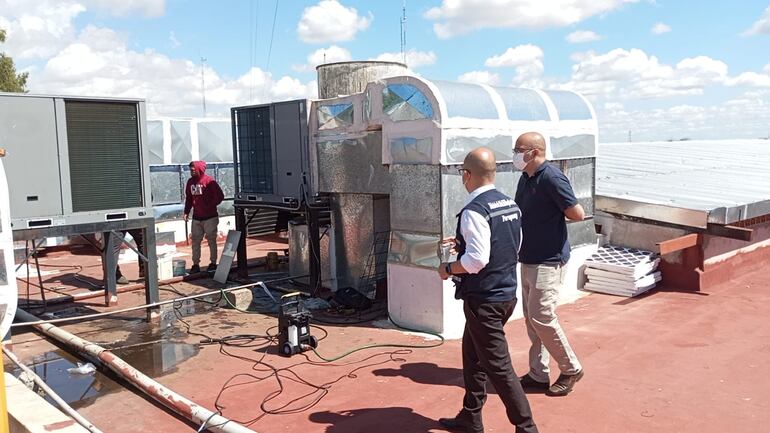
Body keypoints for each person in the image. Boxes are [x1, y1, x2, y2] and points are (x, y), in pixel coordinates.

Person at [437, 147, 538, 433]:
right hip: (506, 295)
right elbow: (510, 245)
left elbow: (476, 261)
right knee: (472, 353)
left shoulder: (474, 210)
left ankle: (527, 428)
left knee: (499, 367)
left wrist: (448, 269)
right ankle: (471, 415)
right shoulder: (509, 204)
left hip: (484, 300)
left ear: (467, 175)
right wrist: (464, 243)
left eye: (461, 174)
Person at [513, 131, 585, 397]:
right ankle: (538, 373)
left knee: (543, 317)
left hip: (548, 260)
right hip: (528, 257)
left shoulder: (552, 178)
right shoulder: (525, 178)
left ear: (533, 152)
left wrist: (551, 218)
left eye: (518, 149)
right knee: (532, 320)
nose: (515, 154)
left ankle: (570, 369)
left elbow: (577, 213)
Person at [184, 160, 224, 274]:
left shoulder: (209, 181)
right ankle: (195, 264)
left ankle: (213, 263)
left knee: (211, 240)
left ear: (199, 169)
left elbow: (220, 196)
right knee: (195, 241)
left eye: (193, 170)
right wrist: (186, 212)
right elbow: (189, 198)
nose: (191, 172)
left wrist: (209, 205)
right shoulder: (190, 182)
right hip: (197, 217)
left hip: (210, 217)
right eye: (190, 170)